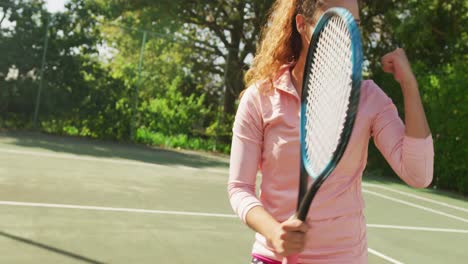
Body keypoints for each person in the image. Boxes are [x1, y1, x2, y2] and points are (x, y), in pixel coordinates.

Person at [227, 0, 434, 263]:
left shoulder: (368, 98)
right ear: (302, 25)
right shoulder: (260, 98)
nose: (347, 36)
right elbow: (239, 188)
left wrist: (409, 85)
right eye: (335, 23)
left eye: (354, 25)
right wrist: (274, 231)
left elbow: (419, 174)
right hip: (271, 258)